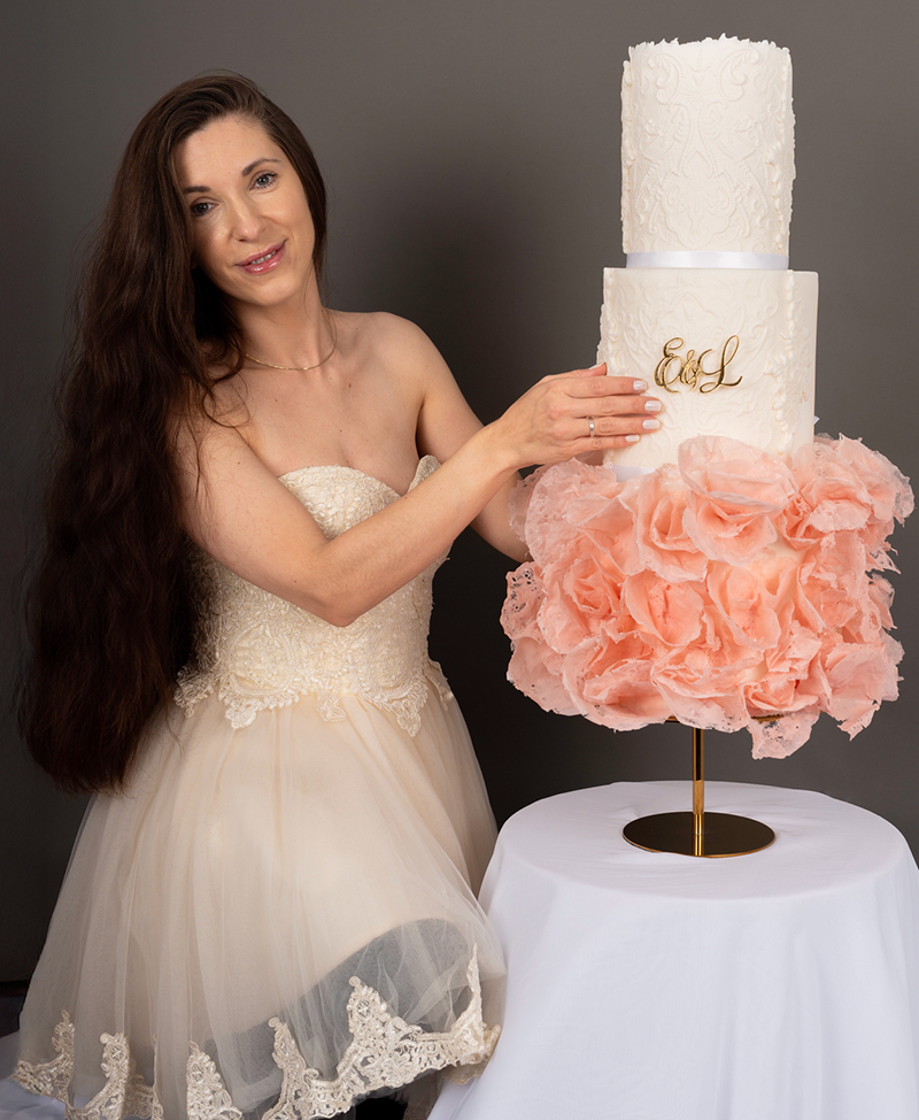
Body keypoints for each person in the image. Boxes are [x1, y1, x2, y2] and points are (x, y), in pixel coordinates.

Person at [14, 73, 660, 1120]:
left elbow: (510, 521)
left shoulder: (397, 347)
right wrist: (505, 437)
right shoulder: (188, 407)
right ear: (177, 242)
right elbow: (330, 584)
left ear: (305, 181)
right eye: (202, 205)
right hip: (263, 779)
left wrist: (637, 453)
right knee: (368, 1016)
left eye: (261, 178)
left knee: (413, 1061)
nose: (247, 223)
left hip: (408, 749)